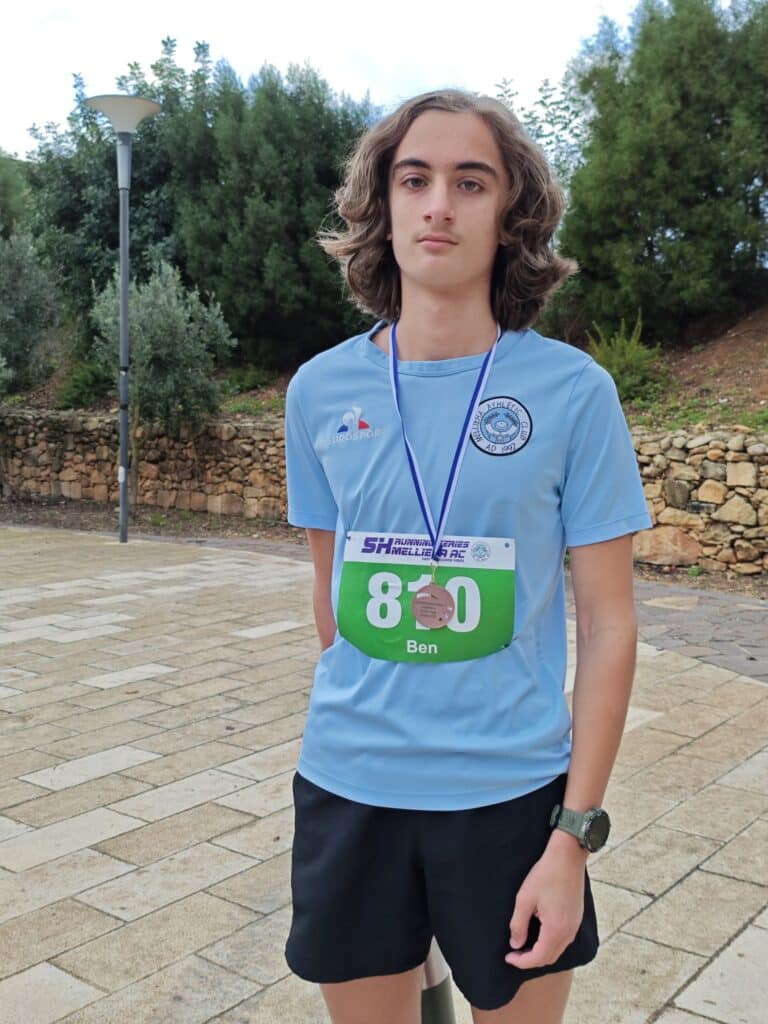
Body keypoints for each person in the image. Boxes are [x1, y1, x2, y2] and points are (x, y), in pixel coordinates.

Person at [283, 88, 652, 1024]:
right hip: (350, 787)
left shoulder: (574, 393)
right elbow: (331, 594)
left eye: (470, 182)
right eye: (415, 180)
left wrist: (572, 837)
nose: (439, 205)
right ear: (383, 204)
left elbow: (610, 625)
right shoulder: (319, 391)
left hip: (513, 800)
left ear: (510, 214)